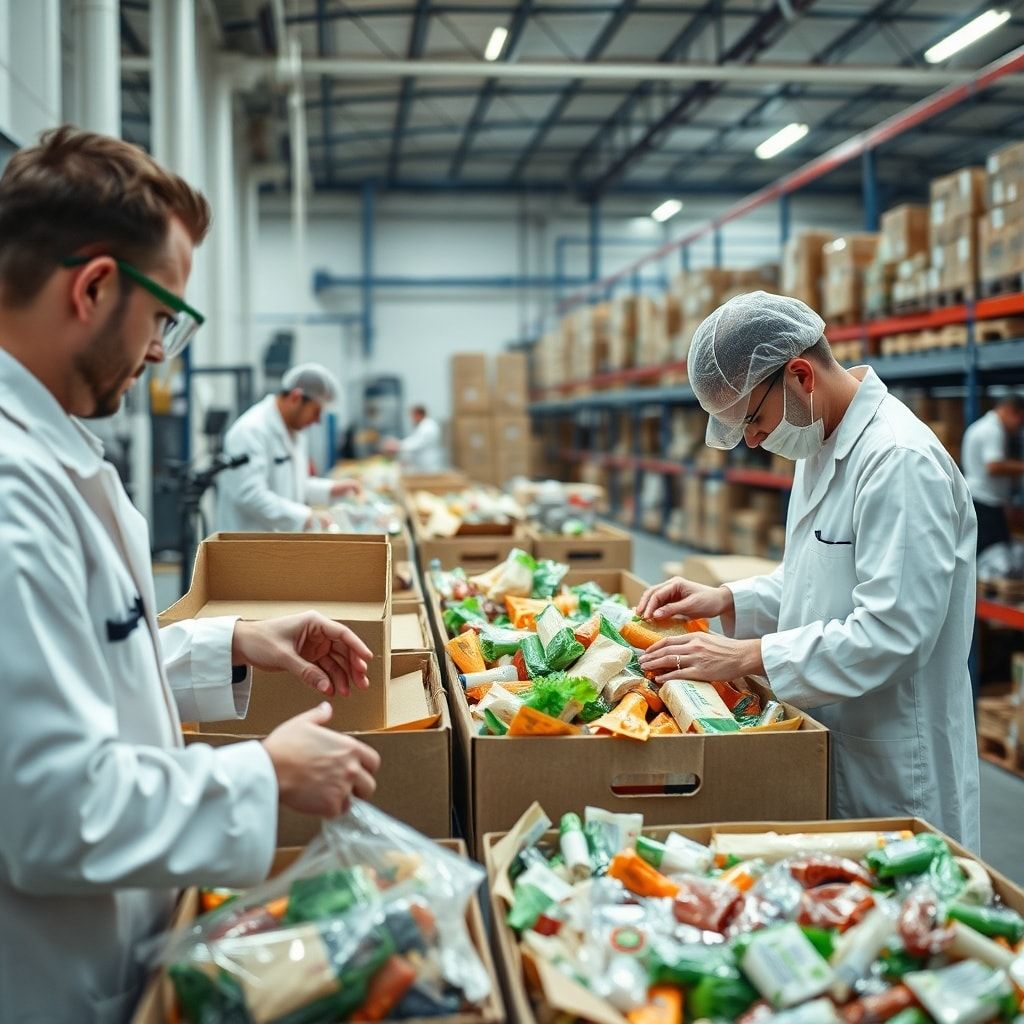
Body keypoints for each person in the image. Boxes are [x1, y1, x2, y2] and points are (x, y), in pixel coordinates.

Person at [0, 127, 382, 1019]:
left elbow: (81, 665)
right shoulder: (13, 495)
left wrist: (235, 641)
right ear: (95, 288)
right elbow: (51, 808)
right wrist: (264, 775)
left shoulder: (52, 455)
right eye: (163, 315)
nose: (160, 350)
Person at [636, 291, 980, 849]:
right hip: (834, 731)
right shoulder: (820, 444)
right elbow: (815, 581)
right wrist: (726, 599)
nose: (750, 439)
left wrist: (751, 655)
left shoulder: (898, 462)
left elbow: (895, 633)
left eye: (752, 418)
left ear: (799, 375)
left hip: (895, 761)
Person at [215, 362, 361, 532]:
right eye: (316, 411)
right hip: (248, 546)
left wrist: (331, 489)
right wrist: (305, 517)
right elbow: (250, 495)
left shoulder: (295, 432)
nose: (318, 421)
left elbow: (293, 485)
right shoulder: (250, 431)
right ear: (295, 398)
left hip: (277, 545)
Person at [961, 394, 1024, 555]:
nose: (1019, 426)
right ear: (1010, 410)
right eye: (1020, 420)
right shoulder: (992, 430)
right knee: (992, 553)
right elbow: (994, 466)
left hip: (982, 500)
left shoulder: (984, 426)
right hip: (985, 502)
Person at [383, 404, 444, 472]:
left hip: (428, 465)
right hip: (423, 464)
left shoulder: (428, 427)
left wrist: (397, 445)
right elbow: (413, 440)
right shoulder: (423, 426)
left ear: (418, 414)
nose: (411, 419)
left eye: (411, 416)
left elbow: (417, 443)